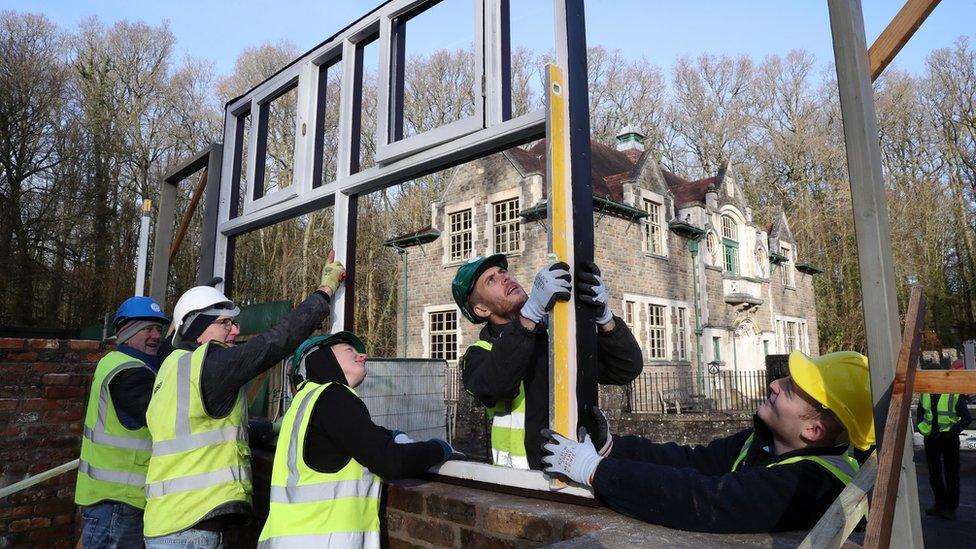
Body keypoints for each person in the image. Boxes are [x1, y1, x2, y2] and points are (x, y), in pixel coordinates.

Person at [541, 351, 874, 533]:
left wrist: (595, 471)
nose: (774, 384)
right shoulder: (764, 442)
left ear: (814, 431)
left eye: (788, 389)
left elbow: (703, 500)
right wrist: (612, 447)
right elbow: (692, 461)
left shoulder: (812, 484)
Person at [142, 251, 346, 548]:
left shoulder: (171, 368)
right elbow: (276, 342)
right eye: (225, 322)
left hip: (168, 523)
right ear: (199, 330)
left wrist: (269, 429)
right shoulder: (210, 365)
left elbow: (202, 429)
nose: (236, 330)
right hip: (191, 528)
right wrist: (325, 291)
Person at [257, 332, 457, 547]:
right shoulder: (334, 395)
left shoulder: (306, 401)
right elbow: (391, 461)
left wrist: (389, 435)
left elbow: (348, 437)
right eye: (349, 350)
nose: (362, 356)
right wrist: (439, 448)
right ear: (323, 357)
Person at [454, 254, 643, 470]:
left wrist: (605, 317)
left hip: (580, 467)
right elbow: (498, 384)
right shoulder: (478, 355)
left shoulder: (552, 339)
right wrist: (531, 314)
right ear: (482, 310)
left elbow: (625, 368)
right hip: (522, 481)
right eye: (491, 280)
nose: (504, 278)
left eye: (503, 272)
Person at [76, 296, 169, 548]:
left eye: (158, 329)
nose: (155, 336)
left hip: (114, 500)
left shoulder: (116, 363)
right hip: (119, 502)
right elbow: (169, 417)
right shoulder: (129, 372)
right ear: (127, 333)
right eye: (147, 329)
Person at [917, 357, 971, 520]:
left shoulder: (953, 394)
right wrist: (922, 429)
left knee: (951, 473)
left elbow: (966, 418)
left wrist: (952, 432)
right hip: (931, 438)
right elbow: (920, 413)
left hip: (948, 439)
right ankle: (939, 504)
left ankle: (951, 507)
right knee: (934, 473)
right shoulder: (925, 393)